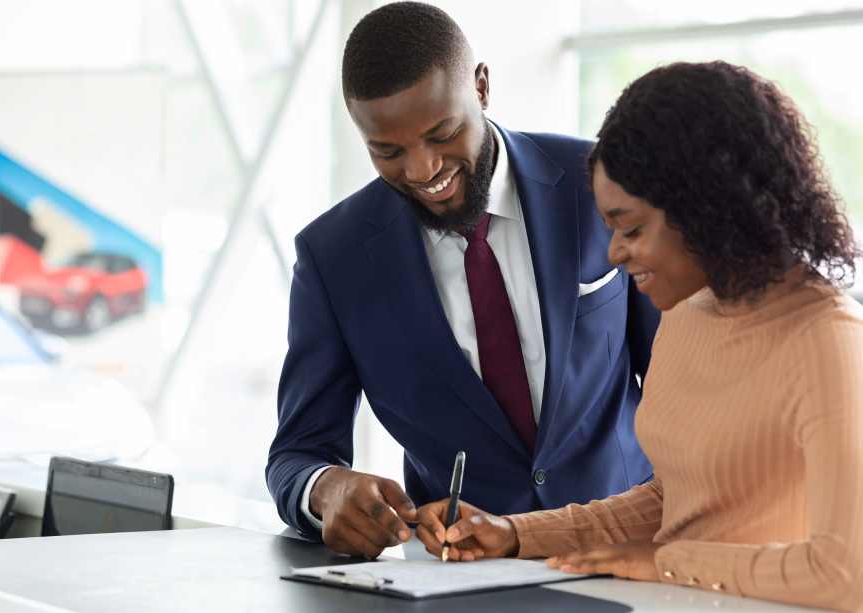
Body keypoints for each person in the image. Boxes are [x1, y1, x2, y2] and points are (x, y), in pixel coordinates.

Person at [415, 60, 863, 612]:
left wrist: (668, 563)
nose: (614, 255)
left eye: (631, 229)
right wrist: (515, 534)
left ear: (708, 207)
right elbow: (675, 500)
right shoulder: (687, 312)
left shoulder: (828, 341)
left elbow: (846, 574)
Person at [266, 1, 661, 558]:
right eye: (388, 151)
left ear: (481, 87)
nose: (423, 170)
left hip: (627, 551)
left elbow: (683, 382)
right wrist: (326, 489)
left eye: (442, 133)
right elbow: (295, 453)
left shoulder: (597, 185)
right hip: (457, 574)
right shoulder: (334, 257)